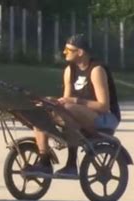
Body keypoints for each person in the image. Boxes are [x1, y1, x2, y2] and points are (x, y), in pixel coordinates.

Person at [23, 34, 121, 178]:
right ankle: (44, 162)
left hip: (105, 119)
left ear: (80, 52)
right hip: (77, 114)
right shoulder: (70, 70)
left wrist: (75, 101)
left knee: (68, 109)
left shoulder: (96, 70)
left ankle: (72, 164)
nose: (64, 52)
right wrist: (53, 102)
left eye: (68, 50)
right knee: (41, 112)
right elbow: (65, 100)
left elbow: (104, 106)